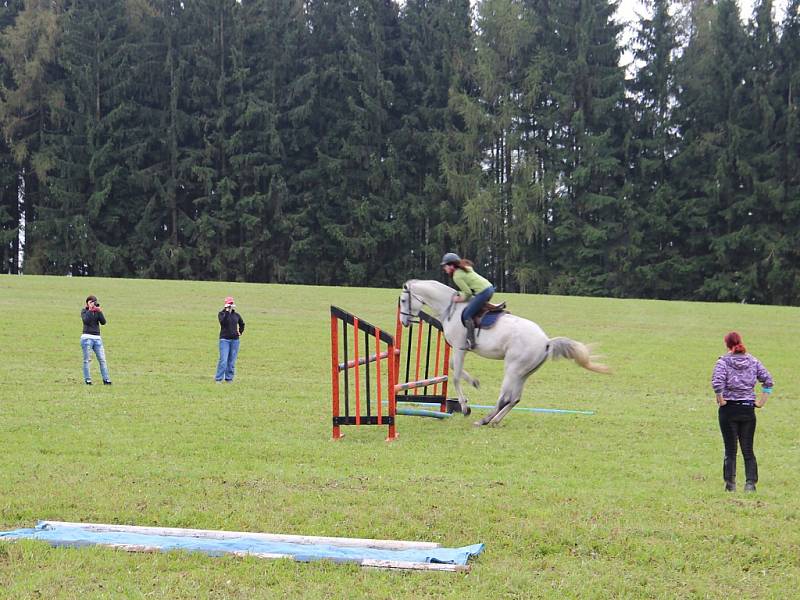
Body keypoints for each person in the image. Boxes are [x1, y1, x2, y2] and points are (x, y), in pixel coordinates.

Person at [711, 331, 773, 492]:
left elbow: (717, 382)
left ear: (727, 345)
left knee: (730, 449)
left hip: (729, 409)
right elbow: (768, 381)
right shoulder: (753, 361)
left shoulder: (723, 362)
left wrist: (720, 397)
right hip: (747, 409)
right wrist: (760, 402)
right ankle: (750, 484)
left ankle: (730, 484)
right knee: (748, 449)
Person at [440, 252, 495, 350]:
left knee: (466, 315)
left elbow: (468, 293)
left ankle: (471, 342)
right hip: (489, 288)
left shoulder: (457, 276)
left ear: (452, 266)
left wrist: (458, 299)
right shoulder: (464, 268)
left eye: (445, 266)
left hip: (483, 292)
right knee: (473, 309)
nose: (444, 269)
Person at [81, 295, 112, 385]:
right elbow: (86, 320)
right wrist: (90, 310)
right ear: (87, 303)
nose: (92, 304)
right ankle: (88, 379)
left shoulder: (97, 311)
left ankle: (106, 379)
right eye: (90, 302)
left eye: (93, 302)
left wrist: (100, 312)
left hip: (97, 339)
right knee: (87, 360)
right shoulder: (84, 311)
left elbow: (103, 322)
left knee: (102, 360)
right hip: (86, 338)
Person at [215, 296, 245, 383]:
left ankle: (229, 378)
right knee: (223, 360)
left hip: (235, 340)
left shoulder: (236, 315)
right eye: (229, 304)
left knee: (231, 361)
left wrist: (240, 331)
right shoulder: (221, 314)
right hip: (224, 340)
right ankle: (218, 379)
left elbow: (242, 324)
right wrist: (227, 312)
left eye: (231, 304)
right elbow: (223, 322)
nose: (230, 305)